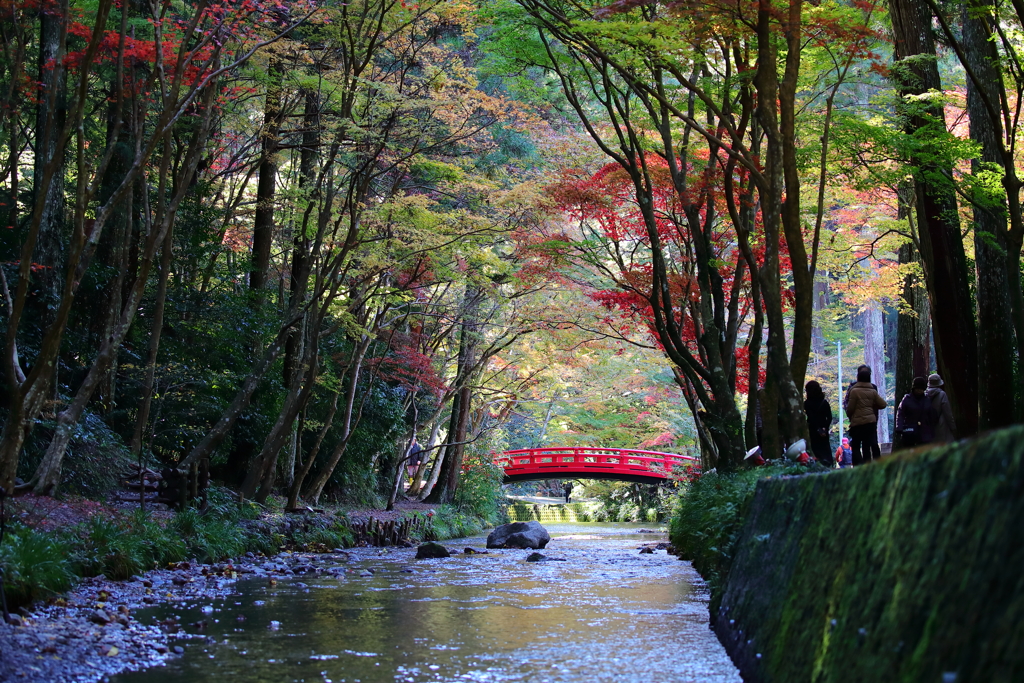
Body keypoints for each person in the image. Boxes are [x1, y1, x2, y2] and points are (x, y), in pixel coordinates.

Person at [845, 365, 887, 466]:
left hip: (858, 422)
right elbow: (883, 404)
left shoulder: (853, 390)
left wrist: (851, 416)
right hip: (870, 421)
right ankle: (871, 465)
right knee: (869, 444)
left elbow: (849, 408)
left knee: (855, 445)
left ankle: (861, 464)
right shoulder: (872, 390)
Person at [895, 377, 936, 449]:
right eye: (917, 389)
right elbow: (900, 413)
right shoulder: (907, 399)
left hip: (924, 431)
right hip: (910, 430)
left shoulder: (927, 400)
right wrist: (899, 427)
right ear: (913, 388)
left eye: (921, 389)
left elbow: (931, 415)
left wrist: (932, 429)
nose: (919, 391)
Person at [804, 381, 834, 465]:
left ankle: (816, 465)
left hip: (813, 430)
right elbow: (829, 417)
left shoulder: (807, 404)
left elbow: (811, 418)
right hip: (823, 429)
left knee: (815, 449)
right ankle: (828, 464)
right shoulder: (824, 402)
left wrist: (817, 429)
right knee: (825, 449)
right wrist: (825, 428)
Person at [925, 373, 956, 443]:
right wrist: (952, 426)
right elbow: (947, 413)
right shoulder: (942, 394)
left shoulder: (924, 394)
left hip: (929, 425)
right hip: (941, 425)